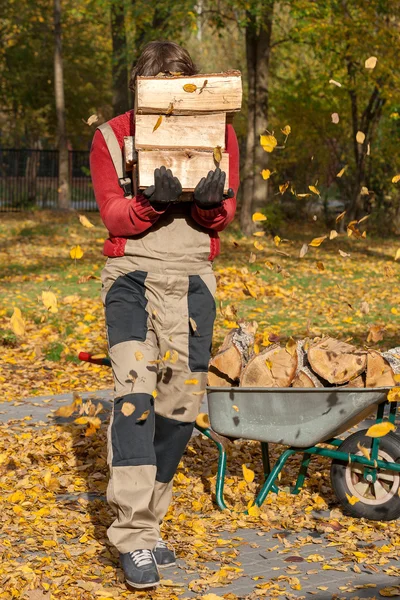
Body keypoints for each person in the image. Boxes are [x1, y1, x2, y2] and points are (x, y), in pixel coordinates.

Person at [90, 40, 239, 590]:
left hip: (192, 284)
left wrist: (206, 203)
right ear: (141, 92)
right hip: (130, 279)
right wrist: (150, 202)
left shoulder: (219, 130)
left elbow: (221, 216)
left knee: (178, 408)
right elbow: (112, 212)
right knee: (135, 398)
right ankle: (133, 536)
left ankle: (149, 526)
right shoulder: (109, 136)